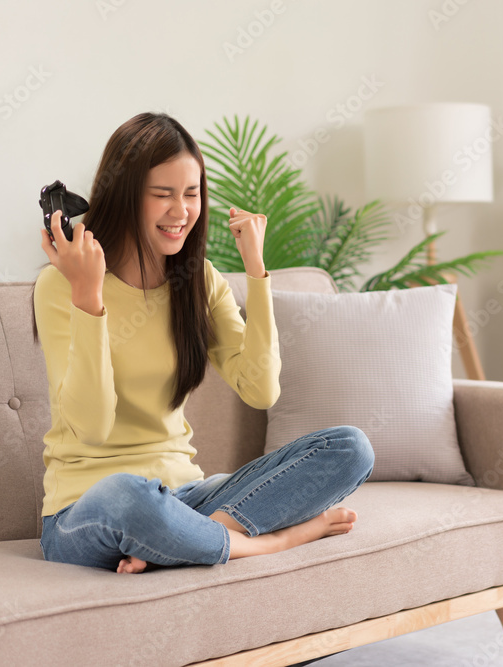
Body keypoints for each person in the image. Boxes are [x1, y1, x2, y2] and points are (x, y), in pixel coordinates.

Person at [32, 112, 374, 574]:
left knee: (350, 448)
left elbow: (261, 390)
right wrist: (89, 300)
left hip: (186, 496)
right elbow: (92, 427)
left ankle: (179, 540)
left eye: (191, 194)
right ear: (125, 196)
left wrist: (256, 271)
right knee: (128, 492)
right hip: (88, 511)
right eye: (162, 195)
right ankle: (275, 541)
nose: (181, 212)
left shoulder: (199, 281)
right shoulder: (61, 286)